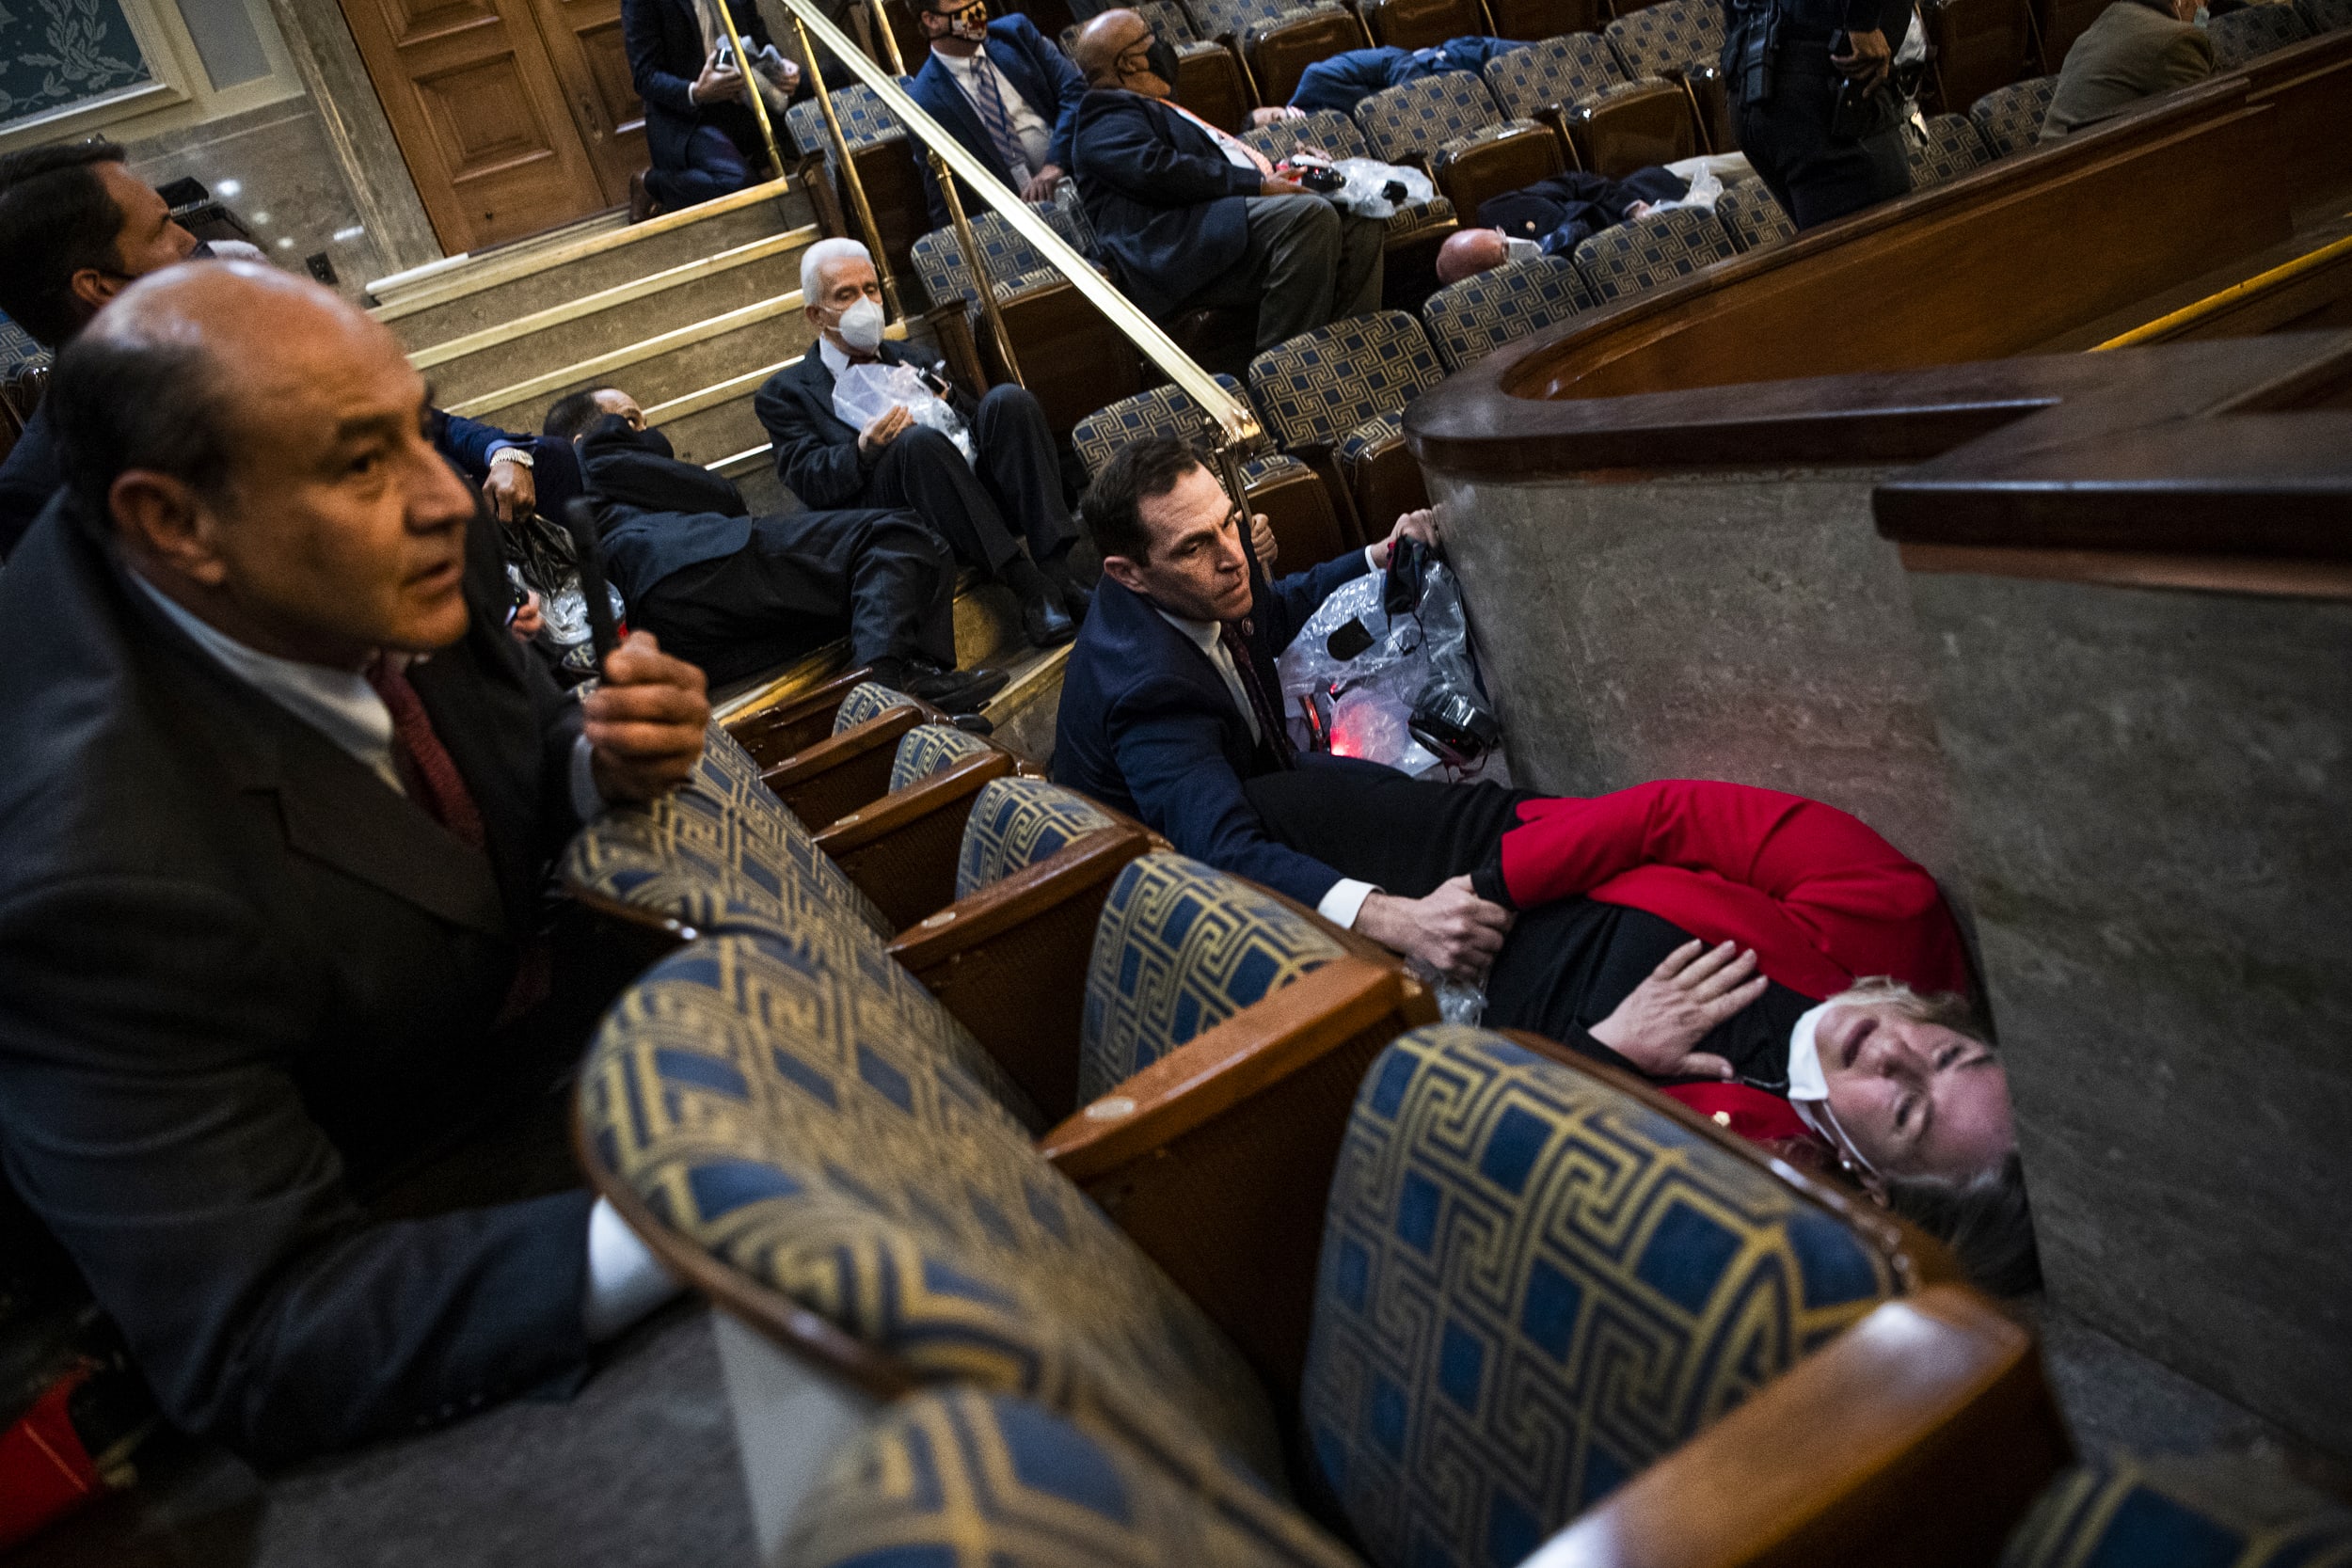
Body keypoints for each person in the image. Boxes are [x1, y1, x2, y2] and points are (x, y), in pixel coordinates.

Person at [0, 261, 713, 1463]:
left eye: (422, 430)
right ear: (174, 522)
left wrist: (604, 765)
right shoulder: (84, 868)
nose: (444, 501)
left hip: (507, 1085)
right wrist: (699, 1221)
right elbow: (259, 1331)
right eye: (360, 462)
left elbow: (521, 745)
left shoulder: (389, 549)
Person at [1055, 436, 1514, 981]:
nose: (1233, 557)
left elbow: (1274, 612)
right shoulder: (1147, 691)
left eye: (1229, 522)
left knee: (1438, 811)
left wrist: (1378, 555)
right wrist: (1397, 920)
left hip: (1264, 780)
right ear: (1127, 573)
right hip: (1176, 905)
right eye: (1194, 547)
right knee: (1416, 849)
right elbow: (1221, 851)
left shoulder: (1197, 576)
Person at [545, 386, 1005, 707]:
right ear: (582, 442)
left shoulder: (598, 495)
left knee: (924, 551)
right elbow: (725, 498)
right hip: (690, 562)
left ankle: (922, 677)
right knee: (891, 534)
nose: (645, 430)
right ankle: (884, 702)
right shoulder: (595, 456)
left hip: (679, 617)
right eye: (630, 421)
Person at [753, 238, 1086, 649]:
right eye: (846, 294)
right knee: (915, 443)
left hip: (966, 488)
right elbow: (807, 478)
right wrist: (862, 450)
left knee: (1008, 401)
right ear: (816, 315)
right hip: (898, 509)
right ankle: (1030, 588)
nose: (865, 304)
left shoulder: (911, 355)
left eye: (871, 289)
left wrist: (947, 401)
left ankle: (1058, 573)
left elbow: (972, 427)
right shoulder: (787, 392)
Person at [1067, 8, 1385, 351]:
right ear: (1129, 62)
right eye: (1151, 38)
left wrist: (1286, 170)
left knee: (1360, 213)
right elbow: (1158, 170)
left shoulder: (1156, 108)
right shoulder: (1101, 116)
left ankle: (1351, 353)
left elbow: (1212, 168)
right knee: (1307, 217)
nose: (1162, 46)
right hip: (1172, 252)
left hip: (1218, 227)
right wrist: (1259, 186)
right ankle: (1287, 374)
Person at [0, 138, 203, 560]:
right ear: (98, 286)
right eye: (162, 228)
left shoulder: (248, 371)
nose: (190, 241)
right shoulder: (44, 490)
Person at [1721, 0, 1915, 229]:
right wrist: (1862, 22)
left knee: (1834, 254)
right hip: (1824, 86)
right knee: (1887, 248)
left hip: (1753, 73)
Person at [906, 0, 1089, 227]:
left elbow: (1074, 91)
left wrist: (1056, 163)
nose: (973, 7)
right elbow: (943, 195)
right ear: (932, 20)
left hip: (1077, 174)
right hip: (1018, 221)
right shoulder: (923, 101)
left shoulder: (1015, 33)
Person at [623, 0, 802, 220]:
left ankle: (762, 159)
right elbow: (645, 77)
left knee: (834, 77)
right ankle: (651, 184)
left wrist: (781, 67)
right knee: (738, 184)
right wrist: (697, 92)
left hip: (741, 99)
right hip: (688, 117)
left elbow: (758, 36)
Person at [1436, 166, 1698, 282]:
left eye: (1502, 237)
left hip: (1647, 193)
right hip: (1649, 247)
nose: (1512, 244)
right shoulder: (1541, 283)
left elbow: (1576, 181)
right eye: (1504, 253)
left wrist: (1634, 207)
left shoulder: (1499, 211)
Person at [2039, 0, 2214, 140]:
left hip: (2049, 167)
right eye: (2203, 5)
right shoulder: (2177, 39)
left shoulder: (2112, 17)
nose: (2203, 15)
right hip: (2086, 172)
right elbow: (2207, 131)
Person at [1282, 38, 1526, 117]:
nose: (1286, 120)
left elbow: (1393, 58)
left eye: (1275, 116)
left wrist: (1414, 106)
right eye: (1276, 128)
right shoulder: (1317, 151)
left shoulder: (1317, 79)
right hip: (1452, 113)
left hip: (1450, 63)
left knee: (1552, 57)